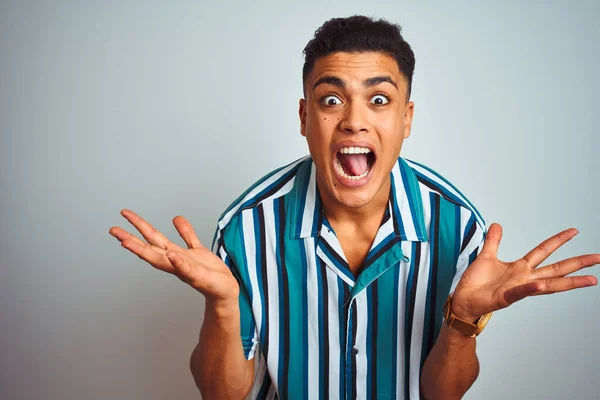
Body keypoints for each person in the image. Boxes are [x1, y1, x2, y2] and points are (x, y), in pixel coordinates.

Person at [109, 15, 599, 400]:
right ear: (305, 117)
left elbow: (442, 394)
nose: (354, 122)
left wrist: (462, 321)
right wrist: (221, 306)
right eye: (330, 101)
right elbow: (221, 395)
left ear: (407, 119)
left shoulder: (457, 227)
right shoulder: (244, 229)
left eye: (380, 99)